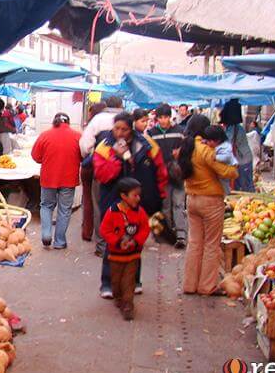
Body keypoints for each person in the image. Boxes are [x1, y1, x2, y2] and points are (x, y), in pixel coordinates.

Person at [93, 112, 168, 299]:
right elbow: (102, 175)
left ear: (131, 129)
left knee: (135, 241)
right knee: (113, 242)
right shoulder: (104, 147)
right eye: (116, 128)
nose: (119, 133)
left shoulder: (147, 145)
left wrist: (159, 196)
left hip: (139, 202)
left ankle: (134, 281)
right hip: (113, 201)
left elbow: (160, 171)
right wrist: (117, 159)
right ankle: (108, 283)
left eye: (124, 129)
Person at [177, 115, 239, 295]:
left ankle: (189, 285)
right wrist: (234, 169)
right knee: (211, 244)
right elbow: (226, 172)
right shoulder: (205, 150)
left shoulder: (186, 147)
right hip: (210, 201)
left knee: (194, 243)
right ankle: (207, 286)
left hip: (192, 199)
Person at [100, 177, 150, 320]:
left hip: (133, 255)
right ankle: (119, 297)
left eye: (139, 195)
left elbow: (145, 229)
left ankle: (128, 304)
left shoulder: (140, 212)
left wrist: (136, 241)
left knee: (129, 281)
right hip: (115, 255)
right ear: (123, 196)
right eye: (135, 195)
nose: (138, 198)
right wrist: (117, 242)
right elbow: (105, 230)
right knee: (116, 282)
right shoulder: (112, 212)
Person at [79, 97, 124, 256]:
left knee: (99, 205)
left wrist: (92, 155)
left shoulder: (98, 120)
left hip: (101, 169)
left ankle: (102, 245)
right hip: (123, 172)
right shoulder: (128, 119)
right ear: (120, 105)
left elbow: (85, 145)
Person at [31, 113, 82, 249]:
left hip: (48, 178)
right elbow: (83, 156)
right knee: (64, 209)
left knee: (46, 206)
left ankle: (46, 235)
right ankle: (59, 241)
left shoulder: (45, 135)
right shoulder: (77, 136)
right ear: (68, 122)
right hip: (69, 179)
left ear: (54, 122)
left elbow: (36, 156)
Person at [148, 104, 187, 248]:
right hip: (161, 175)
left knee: (178, 204)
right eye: (160, 118)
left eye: (166, 117)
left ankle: (181, 235)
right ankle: (168, 234)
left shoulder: (180, 132)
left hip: (177, 174)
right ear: (157, 119)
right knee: (165, 205)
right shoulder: (151, 133)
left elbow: (186, 150)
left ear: (170, 117)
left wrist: (180, 154)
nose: (163, 120)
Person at [80, 102, 107, 242]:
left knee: (90, 199)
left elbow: (85, 146)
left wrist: (89, 155)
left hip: (93, 165)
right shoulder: (119, 120)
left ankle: (88, 232)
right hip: (112, 167)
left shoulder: (95, 122)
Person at [220, 99, 255, 192]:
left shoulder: (234, 128)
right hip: (241, 160)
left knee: (245, 187)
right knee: (240, 186)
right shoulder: (234, 127)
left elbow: (227, 143)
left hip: (243, 161)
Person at [203, 125, 238, 195]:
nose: (208, 143)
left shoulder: (225, 146)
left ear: (217, 140)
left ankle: (226, 194)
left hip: (227, 168)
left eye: (209, 141)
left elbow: (226, 157)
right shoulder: (216, 145)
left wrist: (215, 157)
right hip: (221, 170)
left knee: (224, 185)